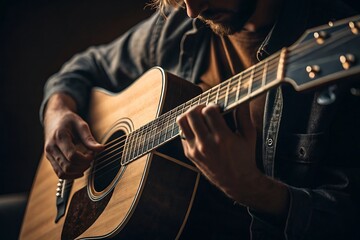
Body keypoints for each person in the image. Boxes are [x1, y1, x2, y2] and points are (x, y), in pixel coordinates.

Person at [41, 0, 360, 239]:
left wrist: (253, 189)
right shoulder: (179, 28)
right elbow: (85, 66)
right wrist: (57, 112)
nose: (193, 10)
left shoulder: (329, 40)